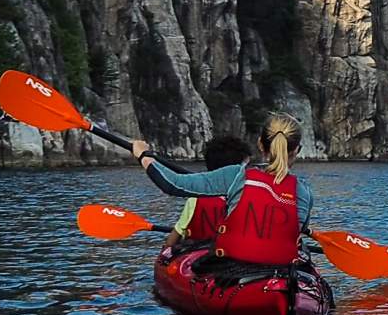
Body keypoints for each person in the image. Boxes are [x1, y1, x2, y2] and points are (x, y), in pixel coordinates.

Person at [132, 112, 313, 268]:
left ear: (260, 144)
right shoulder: (303, 192)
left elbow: (171, 184)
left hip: (231, 271)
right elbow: (294, 232)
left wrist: (143, 155)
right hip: (280, 277)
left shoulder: (236, 175)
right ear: (297, 149)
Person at [161, 135, 252, 251]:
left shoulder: (195, 198)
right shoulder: (251, 195)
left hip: (200, 253)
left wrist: (165, 251)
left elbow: (173, 237)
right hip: (235, 254)